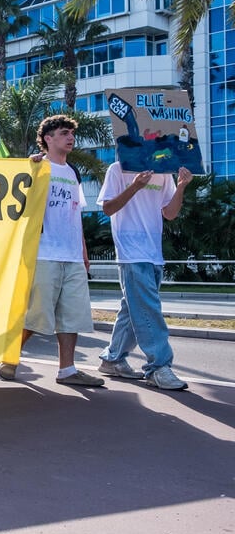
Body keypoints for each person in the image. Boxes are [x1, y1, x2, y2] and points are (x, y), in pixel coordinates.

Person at [0, 116, 104, 387]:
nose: (70, 138)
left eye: (71, 134)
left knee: (71, 317)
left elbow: (74, 212)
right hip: (43, 254)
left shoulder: (73, 172)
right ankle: (9, 358)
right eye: (64, 133)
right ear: (48, 138)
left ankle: (67, 370)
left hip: (72, 256)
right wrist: (28, 167)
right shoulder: (36, 167)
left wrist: (83, 250)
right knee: (36, 315)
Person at [96, 163, 194, 390]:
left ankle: (113, 359)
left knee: (133, 309)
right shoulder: (117, 169)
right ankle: (158, 367)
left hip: (153, 251)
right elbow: (108, 208)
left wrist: (180, 187)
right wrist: (136, 186)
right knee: (148, 308)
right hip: (130, 252)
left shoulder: (163, 172)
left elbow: (169, 213)